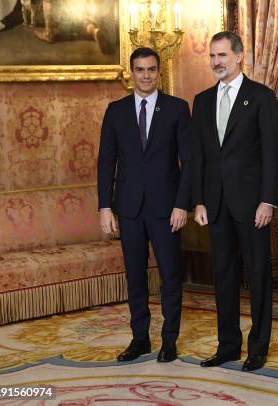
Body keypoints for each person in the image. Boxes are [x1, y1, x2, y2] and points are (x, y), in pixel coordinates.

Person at [191, 31, 278, 372]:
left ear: (239, 56)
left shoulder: (261, 96)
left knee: (258, 275)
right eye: (213, 56)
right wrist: (198, 201)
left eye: (223, 55)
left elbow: (273, 153)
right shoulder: (201, 101)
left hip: (252, 203)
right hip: (214, 205)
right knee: (224, 276)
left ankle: (258, 347)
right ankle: (228, 345)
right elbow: (198, 156)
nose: (217, 61)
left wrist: (268, 201)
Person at [97, 47, 192, 363]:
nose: (146, 75)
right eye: (140, 70)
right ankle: (140, 339)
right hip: (129, 208)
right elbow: (106, 163)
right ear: (131, 73)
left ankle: (169, 341)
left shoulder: (177, 109)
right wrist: (105, 207)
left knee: (170, 276)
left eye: (151, 69)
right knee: (134, 276)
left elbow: (188, 162)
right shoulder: (116, 111)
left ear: (158, 72)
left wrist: (183, 205)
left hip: (167, 209)